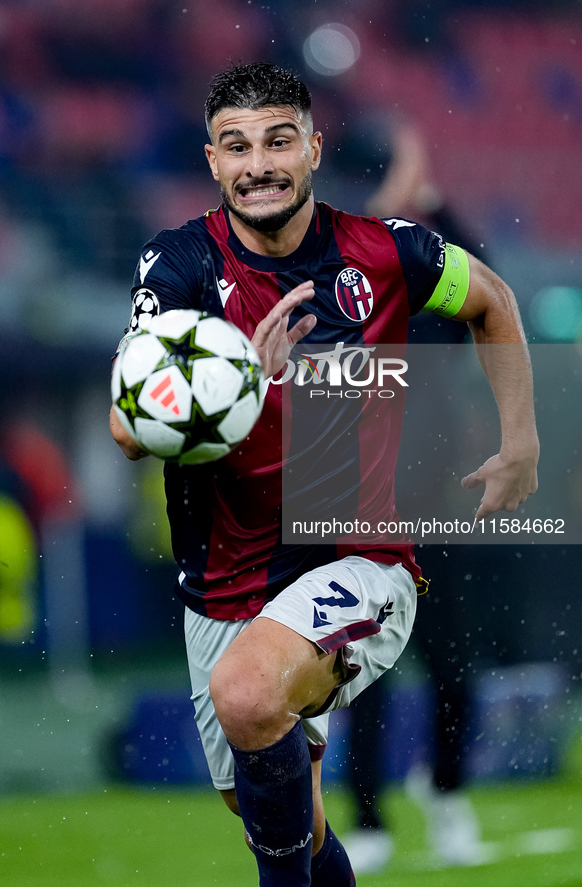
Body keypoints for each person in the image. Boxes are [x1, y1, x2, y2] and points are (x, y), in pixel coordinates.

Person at [109, 62, 539, 887]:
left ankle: (430, 800)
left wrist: (518, 441)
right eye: (236, 146)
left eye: (277, 141)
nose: (258, 164)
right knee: (279, 822)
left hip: (359, 557)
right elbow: (128, 429)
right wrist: (236, 375)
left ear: (312, 148)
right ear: (212, 161)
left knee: (246, 692)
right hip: (222, 584)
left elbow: (492, 299)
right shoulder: (179, 267)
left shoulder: (383, 252)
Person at [342, 120, 497, 873]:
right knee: (360, 674)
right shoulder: (355, 319)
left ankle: (445, 796)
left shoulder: (436, 324)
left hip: (435, 518)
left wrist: (430, 194)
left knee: (452, 670)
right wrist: (399, 186)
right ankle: (367, 817)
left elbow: (487, 276)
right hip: (360, 520)